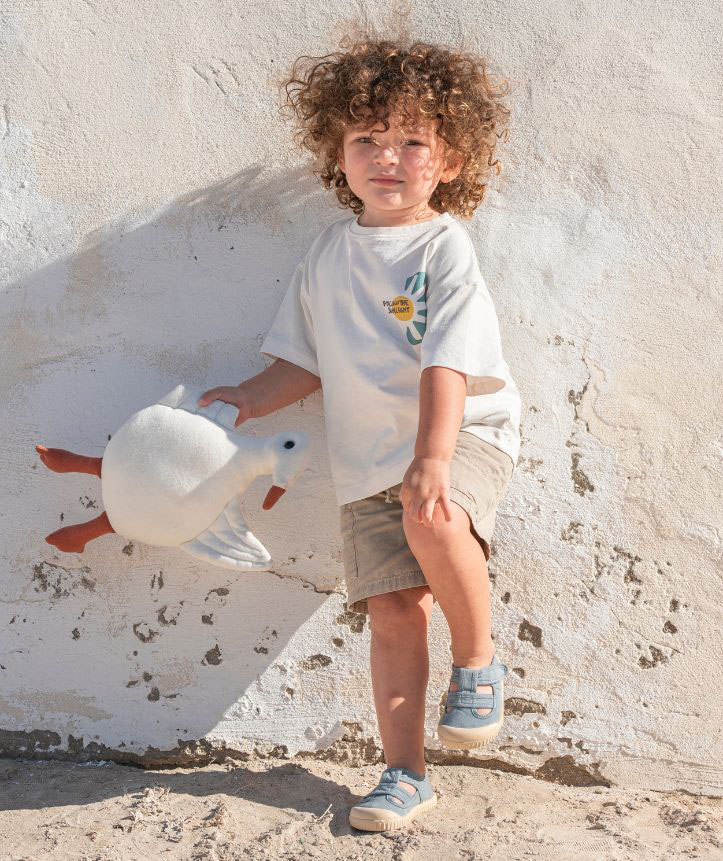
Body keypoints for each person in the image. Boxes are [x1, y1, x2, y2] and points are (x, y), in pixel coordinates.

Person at [197, 35, 521, 832]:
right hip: (366, 461)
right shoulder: (326, 254)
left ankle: (478, 660)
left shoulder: (442, 245)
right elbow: (300, 363)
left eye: (412, 141)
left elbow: (448, 361)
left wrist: (432, 457)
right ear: (335, 153)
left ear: (449, 161)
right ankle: (404, 774)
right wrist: (246, 398)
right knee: (392, 614)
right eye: (367, 139)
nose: (386, 157)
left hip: (460, 435)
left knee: (433, 516)